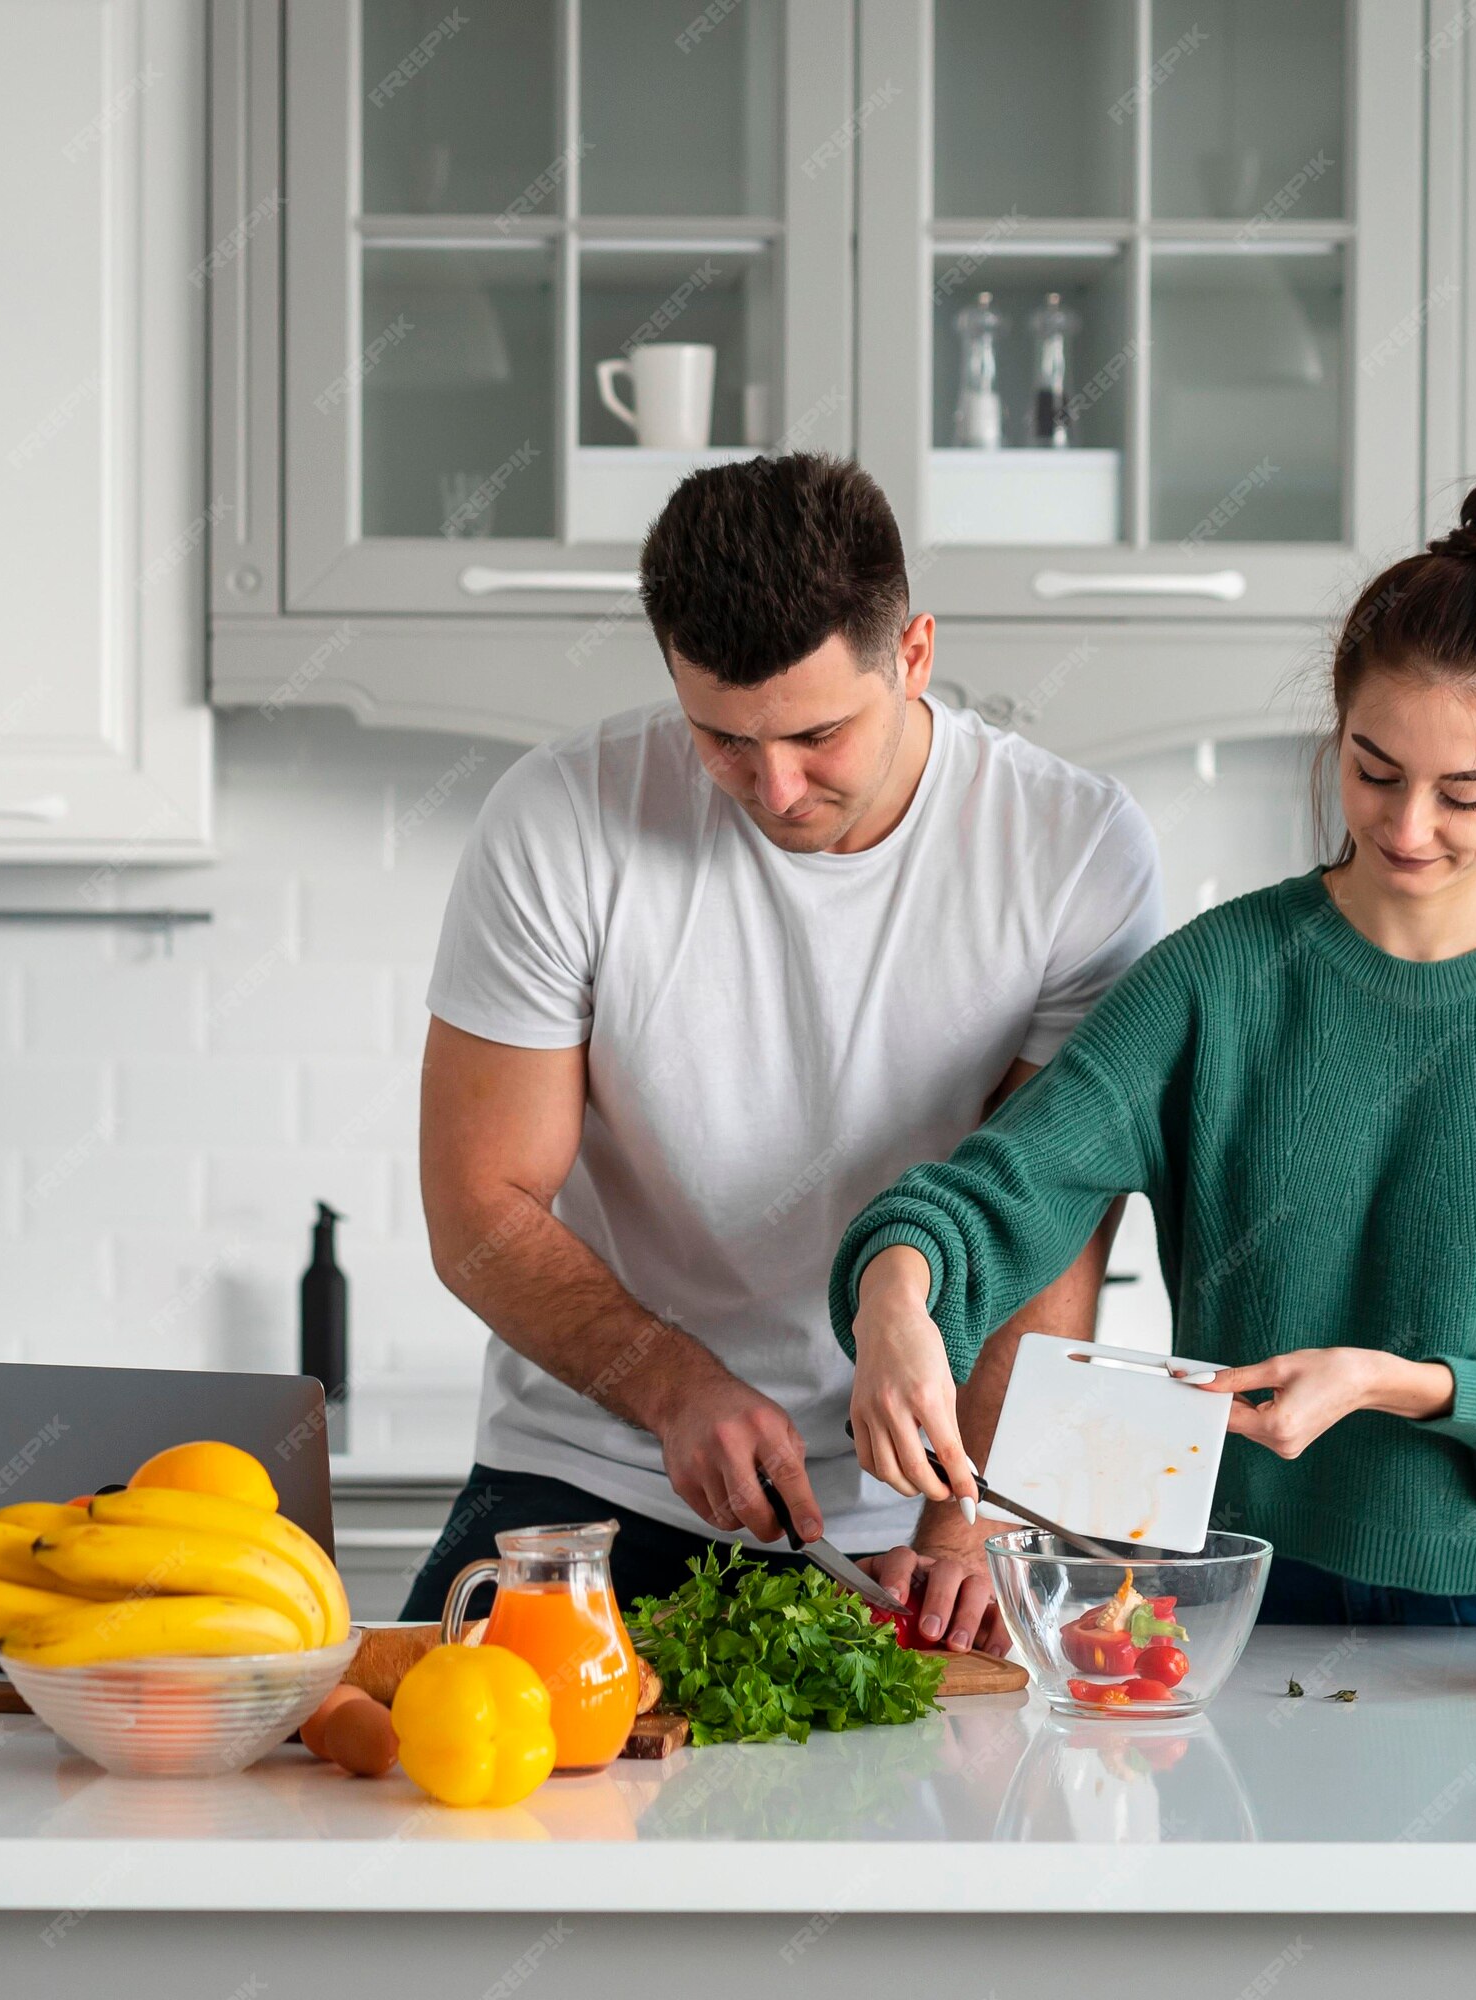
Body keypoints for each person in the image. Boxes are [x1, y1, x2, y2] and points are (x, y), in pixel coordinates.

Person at [831, 472, 1476, 1625]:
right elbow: (1011, 1183)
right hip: (1236, 1590)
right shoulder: (1218, 974)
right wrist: (898, 1279)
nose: (1404, 824)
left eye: (1464, 793)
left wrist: (1394, 1382)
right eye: (1372, 768)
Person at [403, 454, 1163, 1648]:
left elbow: (1053, 1212)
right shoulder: (558, 818)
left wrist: (971, 1518)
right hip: (593, 1465)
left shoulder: (1069, 847)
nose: (773, 786)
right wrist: (669, 1381)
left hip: (914, 1496)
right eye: (721, 738)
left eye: (817, 734)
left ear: (911, 654)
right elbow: (478, 1208)